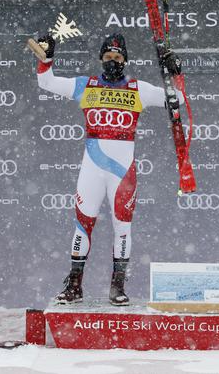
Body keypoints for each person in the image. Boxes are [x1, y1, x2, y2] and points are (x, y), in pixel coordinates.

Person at [34, 33, 184, 305]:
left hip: (122, 171)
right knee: (82, 225)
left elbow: (178, 102)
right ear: (101, 59)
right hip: (91, 167)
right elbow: (46, 82)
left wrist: (175, 74)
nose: (112, 61)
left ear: (125, 59)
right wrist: (46, 59)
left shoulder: (138, 88)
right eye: (108, 56)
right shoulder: (86, 85)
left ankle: (118, 286)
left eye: (117, 56)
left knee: (122, 228)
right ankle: (75, 285)